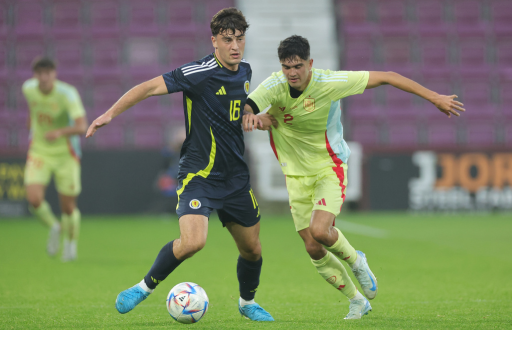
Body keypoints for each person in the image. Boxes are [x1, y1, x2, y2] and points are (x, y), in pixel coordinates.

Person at [242, 35, 465, 319]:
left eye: (298, 66)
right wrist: (252, 117)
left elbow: (388, 76)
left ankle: (357, 260)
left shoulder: (330, 83)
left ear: (310, 63)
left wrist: (435, 97)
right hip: (295, 176)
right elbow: (248, 105)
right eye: (286, 67)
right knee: (312, 247)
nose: (292, 73)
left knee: (321, 231)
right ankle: (357, 301)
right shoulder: (275, 85)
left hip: (329, 167)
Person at [86, 8, 274, 321]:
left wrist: (254, 118)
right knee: (194, 241)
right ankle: (143, 287)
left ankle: (247, 303)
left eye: (239, 39)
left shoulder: (245, 72)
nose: (235, 46)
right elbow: (147, 87)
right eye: (228, 39)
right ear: (214, 40)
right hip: (199, 174)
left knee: (253, 250)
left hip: (236, 178)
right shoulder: (198, 72)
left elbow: (230, 113)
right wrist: (109, 114)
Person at [23, 57, 88, 262]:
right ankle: (54, 226)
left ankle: (70, 244)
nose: (43, 77)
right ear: (35, 75)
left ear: (54, 74)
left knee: (68, 207)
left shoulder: (67, 94)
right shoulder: (28, 89)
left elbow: (81, 126)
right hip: (39, 150)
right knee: (33, 199)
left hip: (65, 153)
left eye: (47, 73)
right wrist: (31, 127)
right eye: (39, 73)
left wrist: (59, 132)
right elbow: (33, 111)